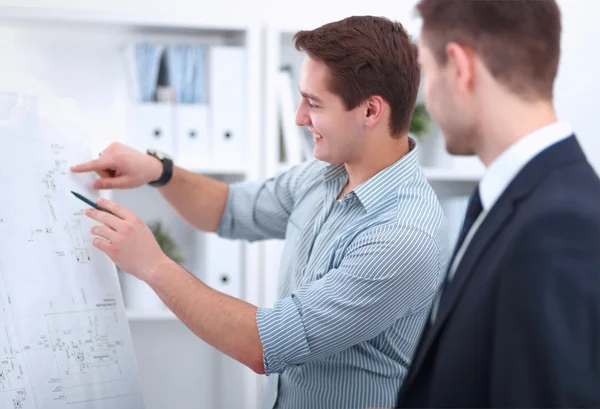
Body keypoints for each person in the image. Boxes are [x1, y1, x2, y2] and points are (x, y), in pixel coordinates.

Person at [72, 16, 446, 409]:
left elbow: (263, 344)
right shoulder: (323, 178)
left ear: (370, 111)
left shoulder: (404, 235)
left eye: (314, 103)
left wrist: (152, 266)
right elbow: (229, 209)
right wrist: (159, 171)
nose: (299, 117)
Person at [396, 1, 600, 408]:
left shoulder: (557, 229)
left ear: (459, 68)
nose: (427, 97)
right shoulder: (520, 202)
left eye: (426, 71)